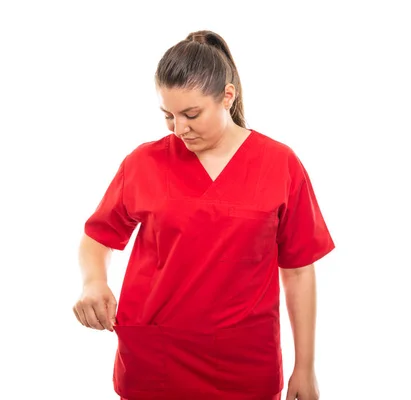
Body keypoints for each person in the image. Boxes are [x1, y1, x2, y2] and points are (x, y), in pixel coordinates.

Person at [72, 30, 335, 400]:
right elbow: (99, 236)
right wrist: (93, 282)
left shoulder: (280, 165)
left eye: (191, 114)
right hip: (154, 360)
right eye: (168, 116)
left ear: (228, 96)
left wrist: (305, 368)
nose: (179, 129)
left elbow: (298, 271)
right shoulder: (143, 163)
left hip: (243, 364)